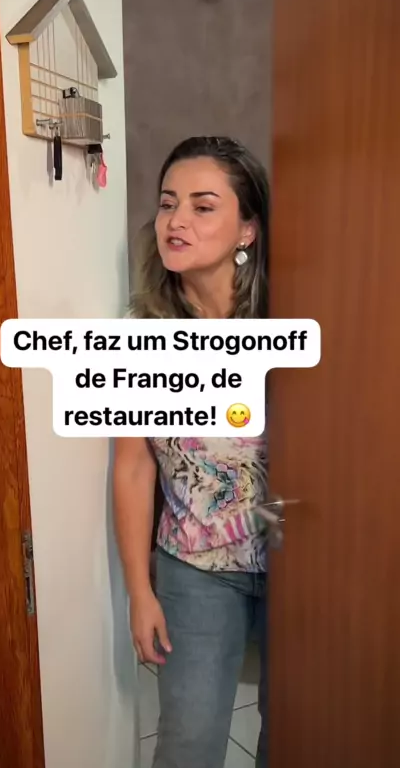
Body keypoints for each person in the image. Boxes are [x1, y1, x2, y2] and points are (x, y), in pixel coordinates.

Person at [113, 136, 269, 768]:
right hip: (195, 569)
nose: (176, 221)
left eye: (203, 206)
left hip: (305, 564)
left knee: (302, 733)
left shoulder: (294, 318)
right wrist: (139, 591)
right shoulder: (142, 334)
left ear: (247, 230)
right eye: (167, 203)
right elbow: (134, 465)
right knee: (188, 746)